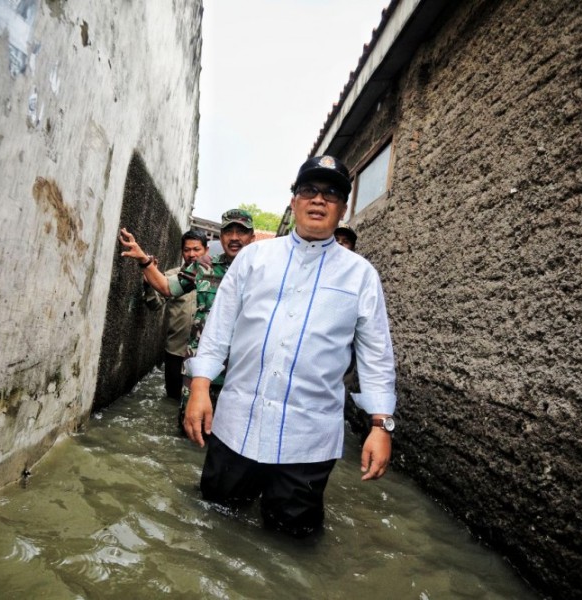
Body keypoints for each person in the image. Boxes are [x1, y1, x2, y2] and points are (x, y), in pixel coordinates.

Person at [183, 155, 397, 538]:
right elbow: (219, 329)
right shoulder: (254, 258)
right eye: (309, 190)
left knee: (292, 540)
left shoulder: (361, 276)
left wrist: (381, 425)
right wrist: (200, 387)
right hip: (236, 426)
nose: (319, 200)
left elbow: (376, 356)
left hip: (309, 441)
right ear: (294, 200)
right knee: (213, 522)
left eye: (331, 193)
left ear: (343, 208)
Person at [119, 209, 255, 426]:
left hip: (241, 374)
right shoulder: (204, 267)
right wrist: (144, 260)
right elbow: (166, 287)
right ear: (221, 236)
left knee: (229, 435)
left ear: (252, 237)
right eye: (229, 232)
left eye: (242, 232)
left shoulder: (262, 272)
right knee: (188, 429)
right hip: (199, 369)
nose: (235, 237)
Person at [144, 230, 208, 400]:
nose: (192, 254)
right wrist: (149, 284)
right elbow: (155, 305)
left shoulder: (215, 280)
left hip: (203, 355)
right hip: (175, 352)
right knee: (172, 400)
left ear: (206, 251)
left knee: (198, 400)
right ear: (182, 252)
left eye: (197, 249)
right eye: (187, 250)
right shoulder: (170, 278)